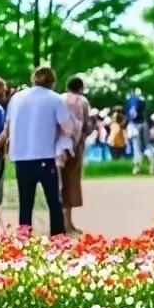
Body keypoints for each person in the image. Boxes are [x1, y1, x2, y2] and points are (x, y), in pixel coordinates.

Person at [3, 65, 75, 237]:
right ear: (52, 81)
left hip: (20, 157)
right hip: (45, 155)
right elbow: (68, 127)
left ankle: (24, 236)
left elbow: (7, 126)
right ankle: (58, 236)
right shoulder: (55, 99)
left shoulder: (16, 98)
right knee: (53, 200)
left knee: (25, 201)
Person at [59, 76, 90, 234]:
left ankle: (59, 222)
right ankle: (68, 223)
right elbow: (87, 125)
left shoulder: (59, 98)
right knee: (71, 184)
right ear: (80, 88)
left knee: (59, 184)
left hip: (57, 147)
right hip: (75, 146)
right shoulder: (82, 101)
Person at [125, 88, 149, 174]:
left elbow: (131, 113)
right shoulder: (142, 100)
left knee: (136, 146)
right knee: (146, 146)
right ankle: (152, 165)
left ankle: (136, 167)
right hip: (143, 123)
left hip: (133, 125)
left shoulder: (130, 100)